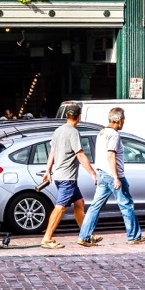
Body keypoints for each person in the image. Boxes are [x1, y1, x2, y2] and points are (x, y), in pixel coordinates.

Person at [78, 106, 145, 246]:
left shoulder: (102, 133)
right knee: (126, 205)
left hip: (102, 174)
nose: (124, 122)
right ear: (119, 120)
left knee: (95, 206)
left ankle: (84, 236)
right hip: (112, 175)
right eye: (123, 119)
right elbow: (111, 154)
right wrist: (116, 177)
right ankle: (133, 236)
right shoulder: (114, 135)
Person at [38, 104, 98, 249]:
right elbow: (80, 154)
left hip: (60, 175)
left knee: (79, 203)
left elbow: (52, 151)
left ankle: (86, 234)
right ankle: (47, 238)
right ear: (79, 117)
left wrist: (48, 170)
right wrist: (92, 172)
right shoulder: (73, 132)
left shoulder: (59, 130)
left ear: (66, 116)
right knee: (60, 208)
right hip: (67, 177)